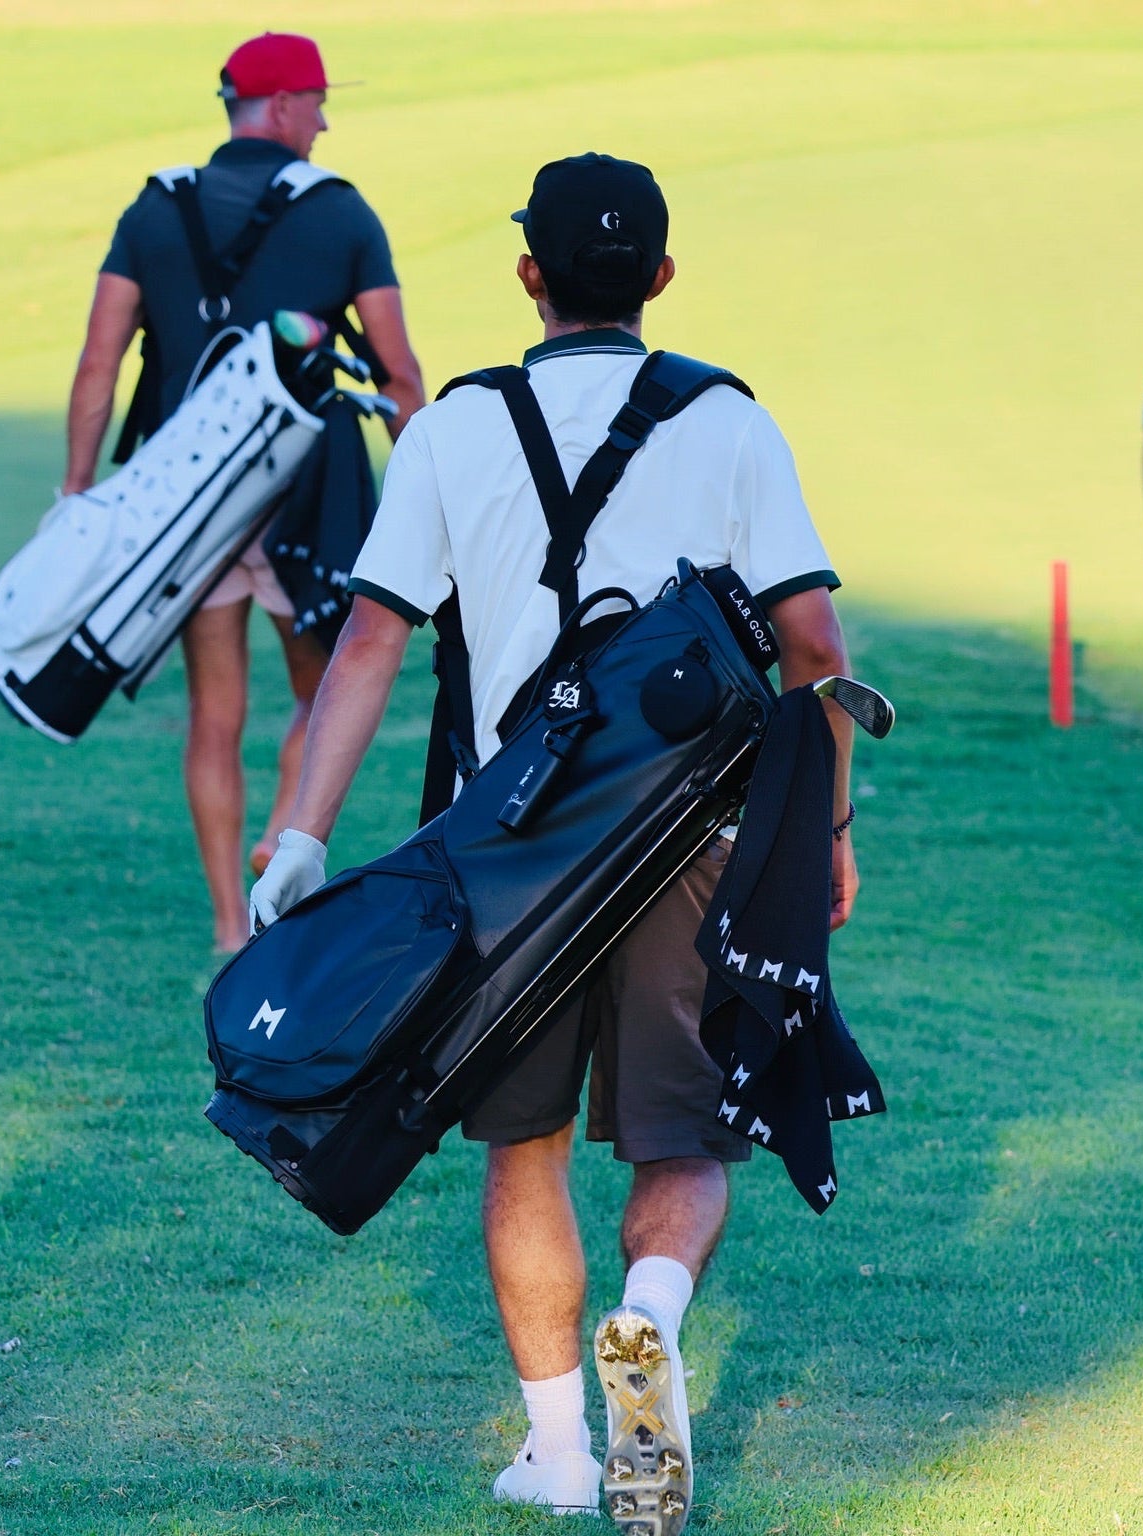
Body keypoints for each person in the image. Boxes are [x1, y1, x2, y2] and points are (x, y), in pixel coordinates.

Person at [246, 153, 858, 1529]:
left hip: (504, 857)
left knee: (523, 1155)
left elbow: (370, 643)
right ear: (659, 279)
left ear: (529, 275)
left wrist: (300, 833)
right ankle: (650, 1310)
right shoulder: (729, 422)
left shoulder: (457, 427)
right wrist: (825, 826)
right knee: (681, 1142)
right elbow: (815, 650)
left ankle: (561, 1455)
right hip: (689, 840)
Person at [61, 31, 425, 952]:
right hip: (308, 497)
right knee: (322, 688)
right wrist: (426, 490)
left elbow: (100, 365)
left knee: (213, 714)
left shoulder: (153, 210)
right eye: (316, 101)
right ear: (280, 107)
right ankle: (279, 839)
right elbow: (399, 374)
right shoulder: (341, 214)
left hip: (184, 506)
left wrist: (76, 492)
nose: (325, 119)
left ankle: (229, 926)